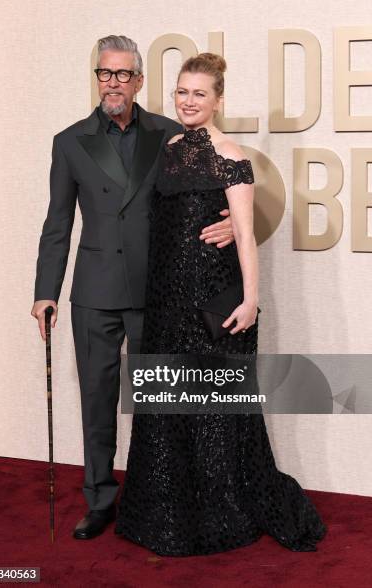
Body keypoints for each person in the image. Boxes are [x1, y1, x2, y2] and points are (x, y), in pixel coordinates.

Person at [115, 53, 327, 556]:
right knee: (166, 402)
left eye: (200, 94)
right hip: (165, 298)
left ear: (218, 101)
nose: (189, 102)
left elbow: (247, 237)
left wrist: (253, 300)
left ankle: (219, 512)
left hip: (212, 297)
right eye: (182, 92)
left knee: (212, 407)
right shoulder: (164, 150)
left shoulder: (231, 156)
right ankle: (163, 512)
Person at [31, 36, 236, 540]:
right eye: (105, 73)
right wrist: (45, 289)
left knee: (157, 402)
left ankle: (154, 497)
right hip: (94, 294)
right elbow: (58, 222)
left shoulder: (169, 132)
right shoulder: (70, 141)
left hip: (155, 291)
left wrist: (233, 222)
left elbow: (222, 183)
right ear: (97, 77)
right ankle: (99, 499)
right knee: (98, 401)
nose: (114, 83)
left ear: (139, 80)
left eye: (124, 74)